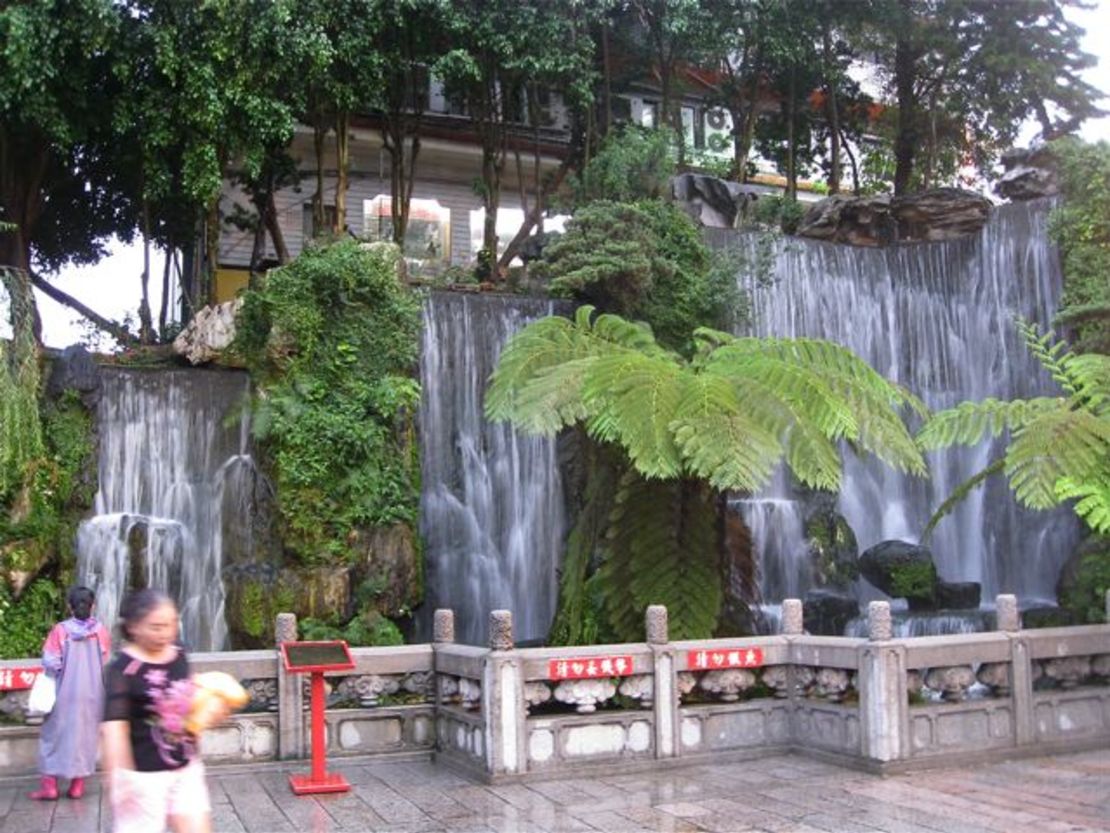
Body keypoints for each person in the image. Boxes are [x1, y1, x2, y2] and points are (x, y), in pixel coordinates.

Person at [101, 589, 219, 833]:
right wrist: (119, 779)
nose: (165, 633)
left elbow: (191, 700)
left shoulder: (179, 656)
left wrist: (212, 709)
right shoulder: (123, 670)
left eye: (172, 624)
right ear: (133, 627)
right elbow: (114, 728)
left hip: (186, 768)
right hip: (143, 777)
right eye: (156, 627)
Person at [28, 585, 111, 801]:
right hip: (92, 694)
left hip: (63, 692)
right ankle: (77, 787)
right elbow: (105, 661)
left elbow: (51, 662)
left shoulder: (60, 631)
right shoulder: (100, 632)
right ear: (93, 606)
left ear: (69, 606)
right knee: (85, 737)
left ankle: (50, 787)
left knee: (52, 736)